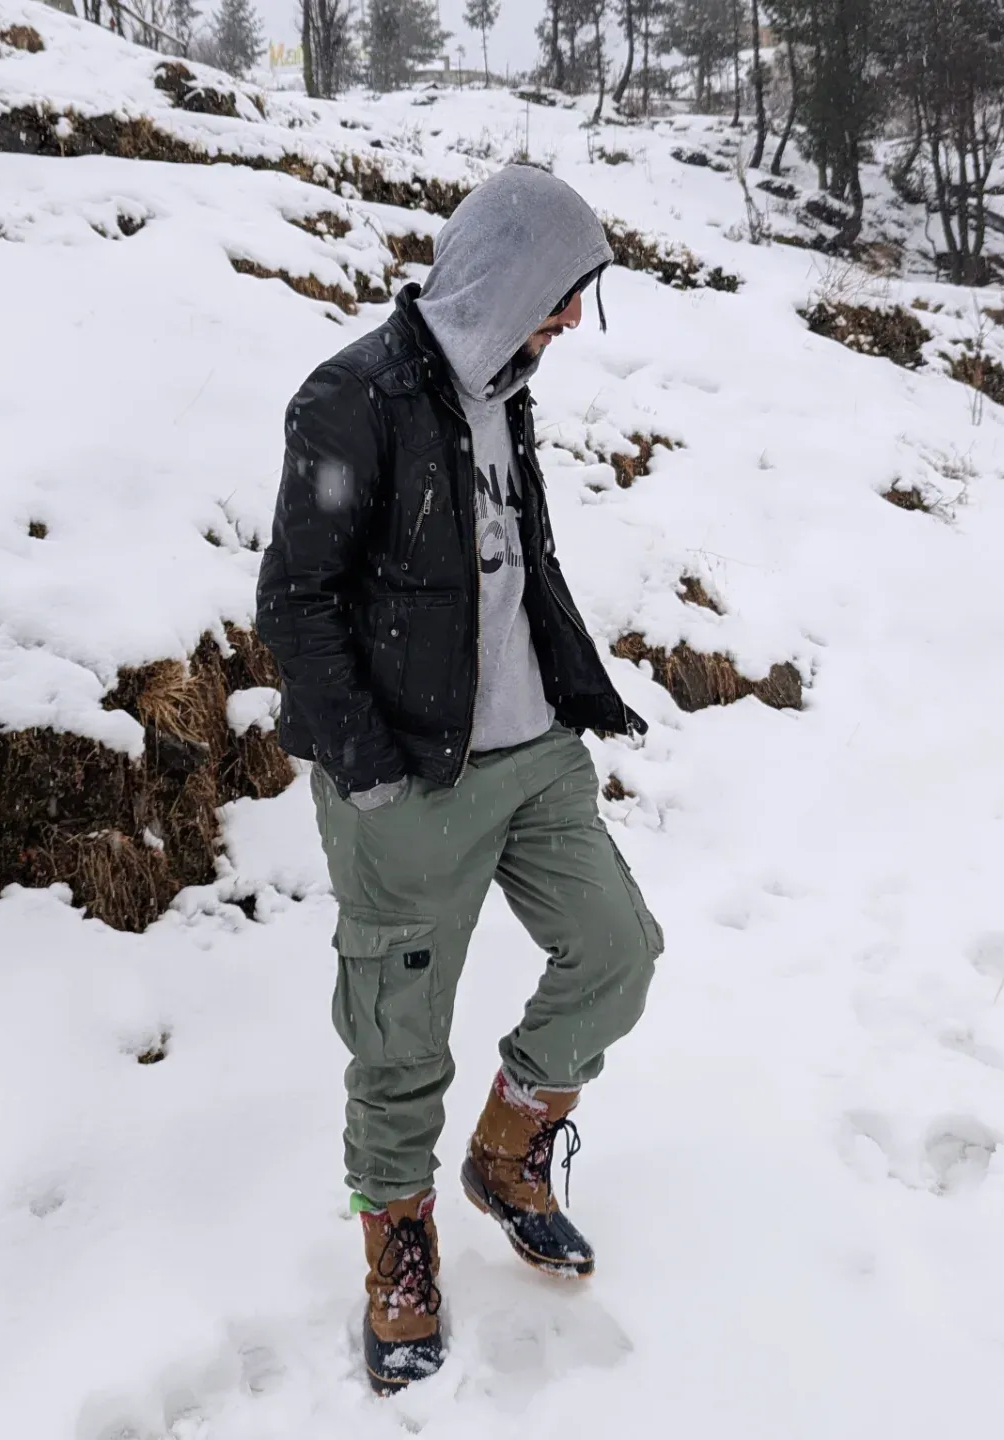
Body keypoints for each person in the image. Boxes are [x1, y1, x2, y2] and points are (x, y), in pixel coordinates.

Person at [255, 165, 665, 1396]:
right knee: (398, 1042)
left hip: (534, 754)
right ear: (507, 276)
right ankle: (398, 1249)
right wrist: (371, 773)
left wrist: (568, 692)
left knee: (617, 950)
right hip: (411, 777)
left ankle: (508, 1150)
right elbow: (296, 602)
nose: (572, 321)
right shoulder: (353, 398)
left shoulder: (508, 391)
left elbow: (506, 565)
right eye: (562, 294)